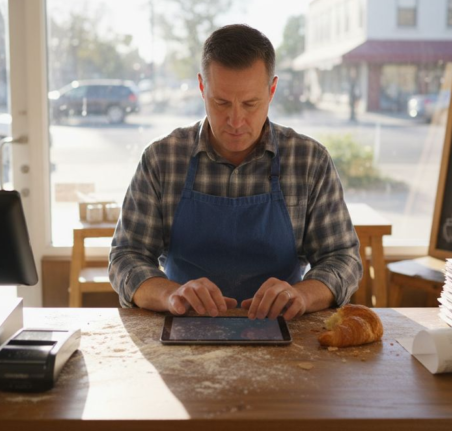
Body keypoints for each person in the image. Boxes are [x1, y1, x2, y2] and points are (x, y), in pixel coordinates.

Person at [109, 24, 361, 321]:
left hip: (286, 330)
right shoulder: (162, 159)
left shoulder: (308, 160)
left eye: (251, 103)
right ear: (203, 88)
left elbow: (343, 258)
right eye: (222, 102)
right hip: (185, 327)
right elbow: (126, 257)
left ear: (272, 90)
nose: (236, 120)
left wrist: (303, 295)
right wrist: (170, 294)